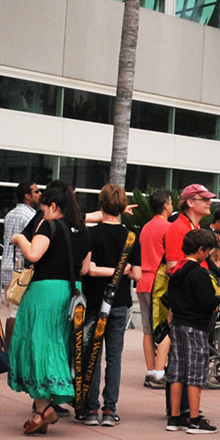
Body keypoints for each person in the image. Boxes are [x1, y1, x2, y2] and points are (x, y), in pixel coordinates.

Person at [10, 182, 86, 436]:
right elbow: (85, 268)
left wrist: (20, 237)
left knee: (35, 343)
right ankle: (43, 408)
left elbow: (33, 253)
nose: (42, 214)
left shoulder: (48, 225)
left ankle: (43, 409)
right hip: (71, 291)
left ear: (53, 206)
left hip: (45, 292)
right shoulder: (82, 230)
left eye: (43, 209)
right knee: (55, 345)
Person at [77, 183, 138, 427]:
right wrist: (122, 270)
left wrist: (99, 271)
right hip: (119, 303)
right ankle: (110, 409)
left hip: (94, 302)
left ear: (101, 206)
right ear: (123, 207)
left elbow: (87, 269)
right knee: (114, 357)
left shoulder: (90, 234)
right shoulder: (131, 237)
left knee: (92, 353)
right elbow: (138, 274)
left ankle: (91, 408)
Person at [165, 227, 220, 433]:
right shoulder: (199, 273)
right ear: (200, 249)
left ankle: (175, 416)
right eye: (206, 251)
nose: (207, 255)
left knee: (177, 370)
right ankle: (195, 419)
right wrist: (219, 299)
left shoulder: (176, 270)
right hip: (195, 326)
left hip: (177, 324)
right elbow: (206, 302)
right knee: (196, 372)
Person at [0, 179, 40, 342]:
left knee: (12, 308)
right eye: (36, 191)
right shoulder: (31, 216)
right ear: (27, 196)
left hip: (7, 264)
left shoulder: (10, 214)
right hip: (20, 268)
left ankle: (10, 346)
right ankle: (11, 348)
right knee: (17, 310)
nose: (39, 194)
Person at [133, 189, 170, 385]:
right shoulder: (168, 228)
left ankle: (150, 370)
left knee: (148, 331)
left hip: (142, 281)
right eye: (171, 203)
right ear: (166, 206)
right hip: (158, 282)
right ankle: (159, 372)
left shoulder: (145, 227)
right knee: (165, 329)